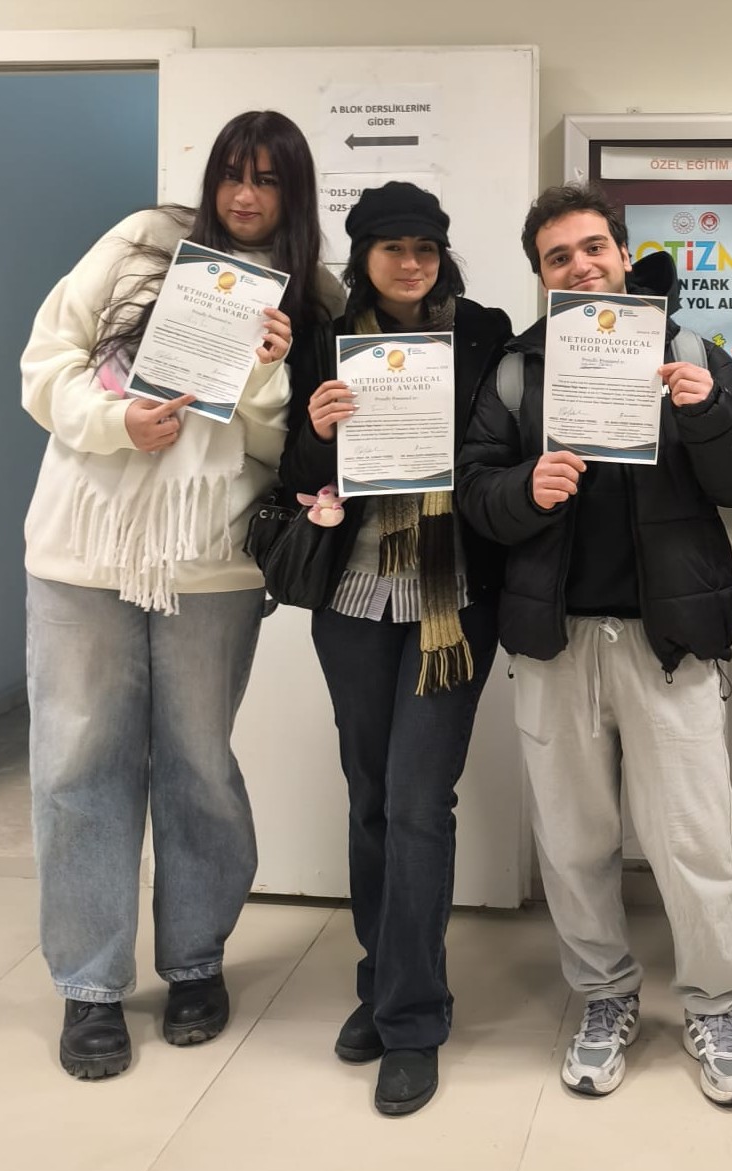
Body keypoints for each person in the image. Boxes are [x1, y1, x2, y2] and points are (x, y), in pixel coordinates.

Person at [20, 110, 340, 1080]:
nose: (245, 196)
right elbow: (46, 367)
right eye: (233, 174)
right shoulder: (139, 242)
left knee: (199, 765)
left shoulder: (314, 294)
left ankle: (196, 960)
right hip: (84, 548)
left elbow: (293, 451)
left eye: (268, 181)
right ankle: (90, 985)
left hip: (211, 562)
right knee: (79, 763)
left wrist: (270, 372)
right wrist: (117, 422)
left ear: (293, 194)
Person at [456, 183, 732, 1106]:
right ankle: (604, 996)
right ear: (542, 276)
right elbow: (474, 491)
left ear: (624, 254)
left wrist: (705, 410)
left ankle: (713, 1006)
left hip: (667, 640)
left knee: (695, 840)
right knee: (573, 841)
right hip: (554, 643)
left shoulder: (692, 351)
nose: (581, 265)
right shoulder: (516, 372)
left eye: (594, 247)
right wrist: (526, 490)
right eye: (558, 257)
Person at [278, 182, 511, 1117]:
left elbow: (503, 445)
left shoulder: (484, 333)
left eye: (425, 248)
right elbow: (295, 477)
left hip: (450, 602)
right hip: (353, 601)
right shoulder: (327, 341)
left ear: (442, 255)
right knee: (371, 797)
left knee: (418, 802)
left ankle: (413, 1021)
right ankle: (382, 978)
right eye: (392, 248)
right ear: (363, 256)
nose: (410, 263)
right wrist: (318, 429)